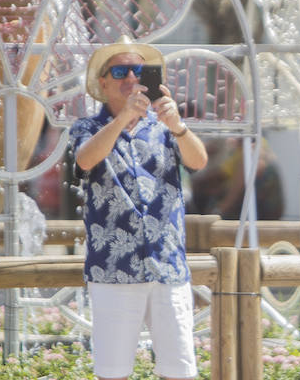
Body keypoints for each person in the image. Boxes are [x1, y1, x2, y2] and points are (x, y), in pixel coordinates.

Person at [69, 36, 208, 380]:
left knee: (180, 372)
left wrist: (178, 126)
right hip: (114, 270)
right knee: (112, 373)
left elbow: (199, 161)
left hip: (168, 267)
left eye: (137, 69)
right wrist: (123, 119)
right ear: (103, 82)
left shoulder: (165, 127)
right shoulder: (86, 128)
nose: (131, 77)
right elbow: (85, 160)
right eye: (120, 70)